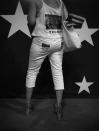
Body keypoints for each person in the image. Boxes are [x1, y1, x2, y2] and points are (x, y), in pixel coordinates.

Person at [25, 0, 69, 120]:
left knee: (32, 72)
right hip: (57, 42)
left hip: (42, 42)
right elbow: (65, 18)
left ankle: (28, 106)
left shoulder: (36, 1)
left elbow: (31, 21)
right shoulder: (60, 2)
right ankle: (58, 107)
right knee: (58, 72)